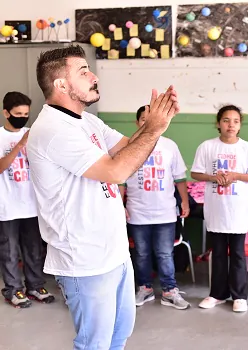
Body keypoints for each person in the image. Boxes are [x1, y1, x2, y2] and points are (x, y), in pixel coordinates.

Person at [26, 44, 180, 349]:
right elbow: (115, 171)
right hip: (85, 260)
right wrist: (153, 130)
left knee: (118, 337)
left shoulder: (85, 120)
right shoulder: (53, 129)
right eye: (83, 71)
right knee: (94, 344)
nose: (93, 75)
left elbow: (126, 147)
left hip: (114, 252)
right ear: (60, 84)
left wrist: (154, 126)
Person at [191, 105, 248, 313]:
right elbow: (196, 173)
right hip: (216, 208)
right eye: (226, 120)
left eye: (235, 121)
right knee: (219, 253)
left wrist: (235, 176)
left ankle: (239, 296)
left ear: (240, 125)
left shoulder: (247, 148)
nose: (231, 125)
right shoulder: (207, 146)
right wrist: (214, 177)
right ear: (218, 123)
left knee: (238, 253)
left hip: (237, 209)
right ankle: (217, 294)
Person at [119, 105, 190, 310]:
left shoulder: (169, 146)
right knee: (141, 253)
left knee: (165, 254)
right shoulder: (128, 146)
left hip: (165, 212)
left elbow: (179, 177)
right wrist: (119, 204)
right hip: (137, 212)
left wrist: (184, 201)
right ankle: (145, 288)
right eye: (143, 119)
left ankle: (169, 291)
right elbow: (120, 179)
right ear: (137, 122)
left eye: (152, 119)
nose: (148, 123)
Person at [0, 91, 54, 308]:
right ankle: (13, 289)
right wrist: (20, 145)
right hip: (7, 207)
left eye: (25, 114)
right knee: (10, 251)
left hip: (32, 206)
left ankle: (35, 285)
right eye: (17, 113)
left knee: (34, 250)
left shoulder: (33, 133)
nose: (22, 117)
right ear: (6, 113)